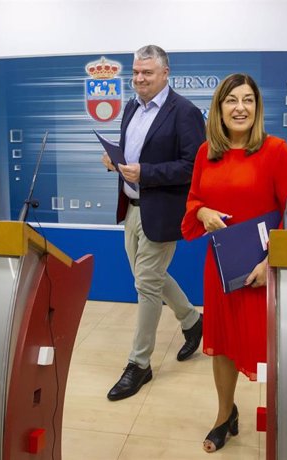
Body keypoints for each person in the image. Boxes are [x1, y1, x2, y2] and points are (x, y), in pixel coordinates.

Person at [181, 74, 287, 452]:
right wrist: (201, 213)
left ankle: (279, 422)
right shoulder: (206, 153)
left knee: (267, 350)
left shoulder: (276, 150)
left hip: (262, 272)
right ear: (219, 108)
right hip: (220, 268)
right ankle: (224, 415)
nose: (240, 108)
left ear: (257, 107)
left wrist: (271, 262)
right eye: (231, 100)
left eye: (248, 100)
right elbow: (193, 200)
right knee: (222, 346)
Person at [101, 45, 205, 402]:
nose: (139, 79)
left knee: (146, 285)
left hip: (161, 212)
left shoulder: (185, 113)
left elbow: (194, 168)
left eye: (147, 73)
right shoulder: (131, 107)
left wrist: (146, 173)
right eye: (135, 73)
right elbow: (134, 153)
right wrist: (115, 160)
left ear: (165, 73)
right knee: (150, 278)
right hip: (131, 208)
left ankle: (139, 364)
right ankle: (192, 321)